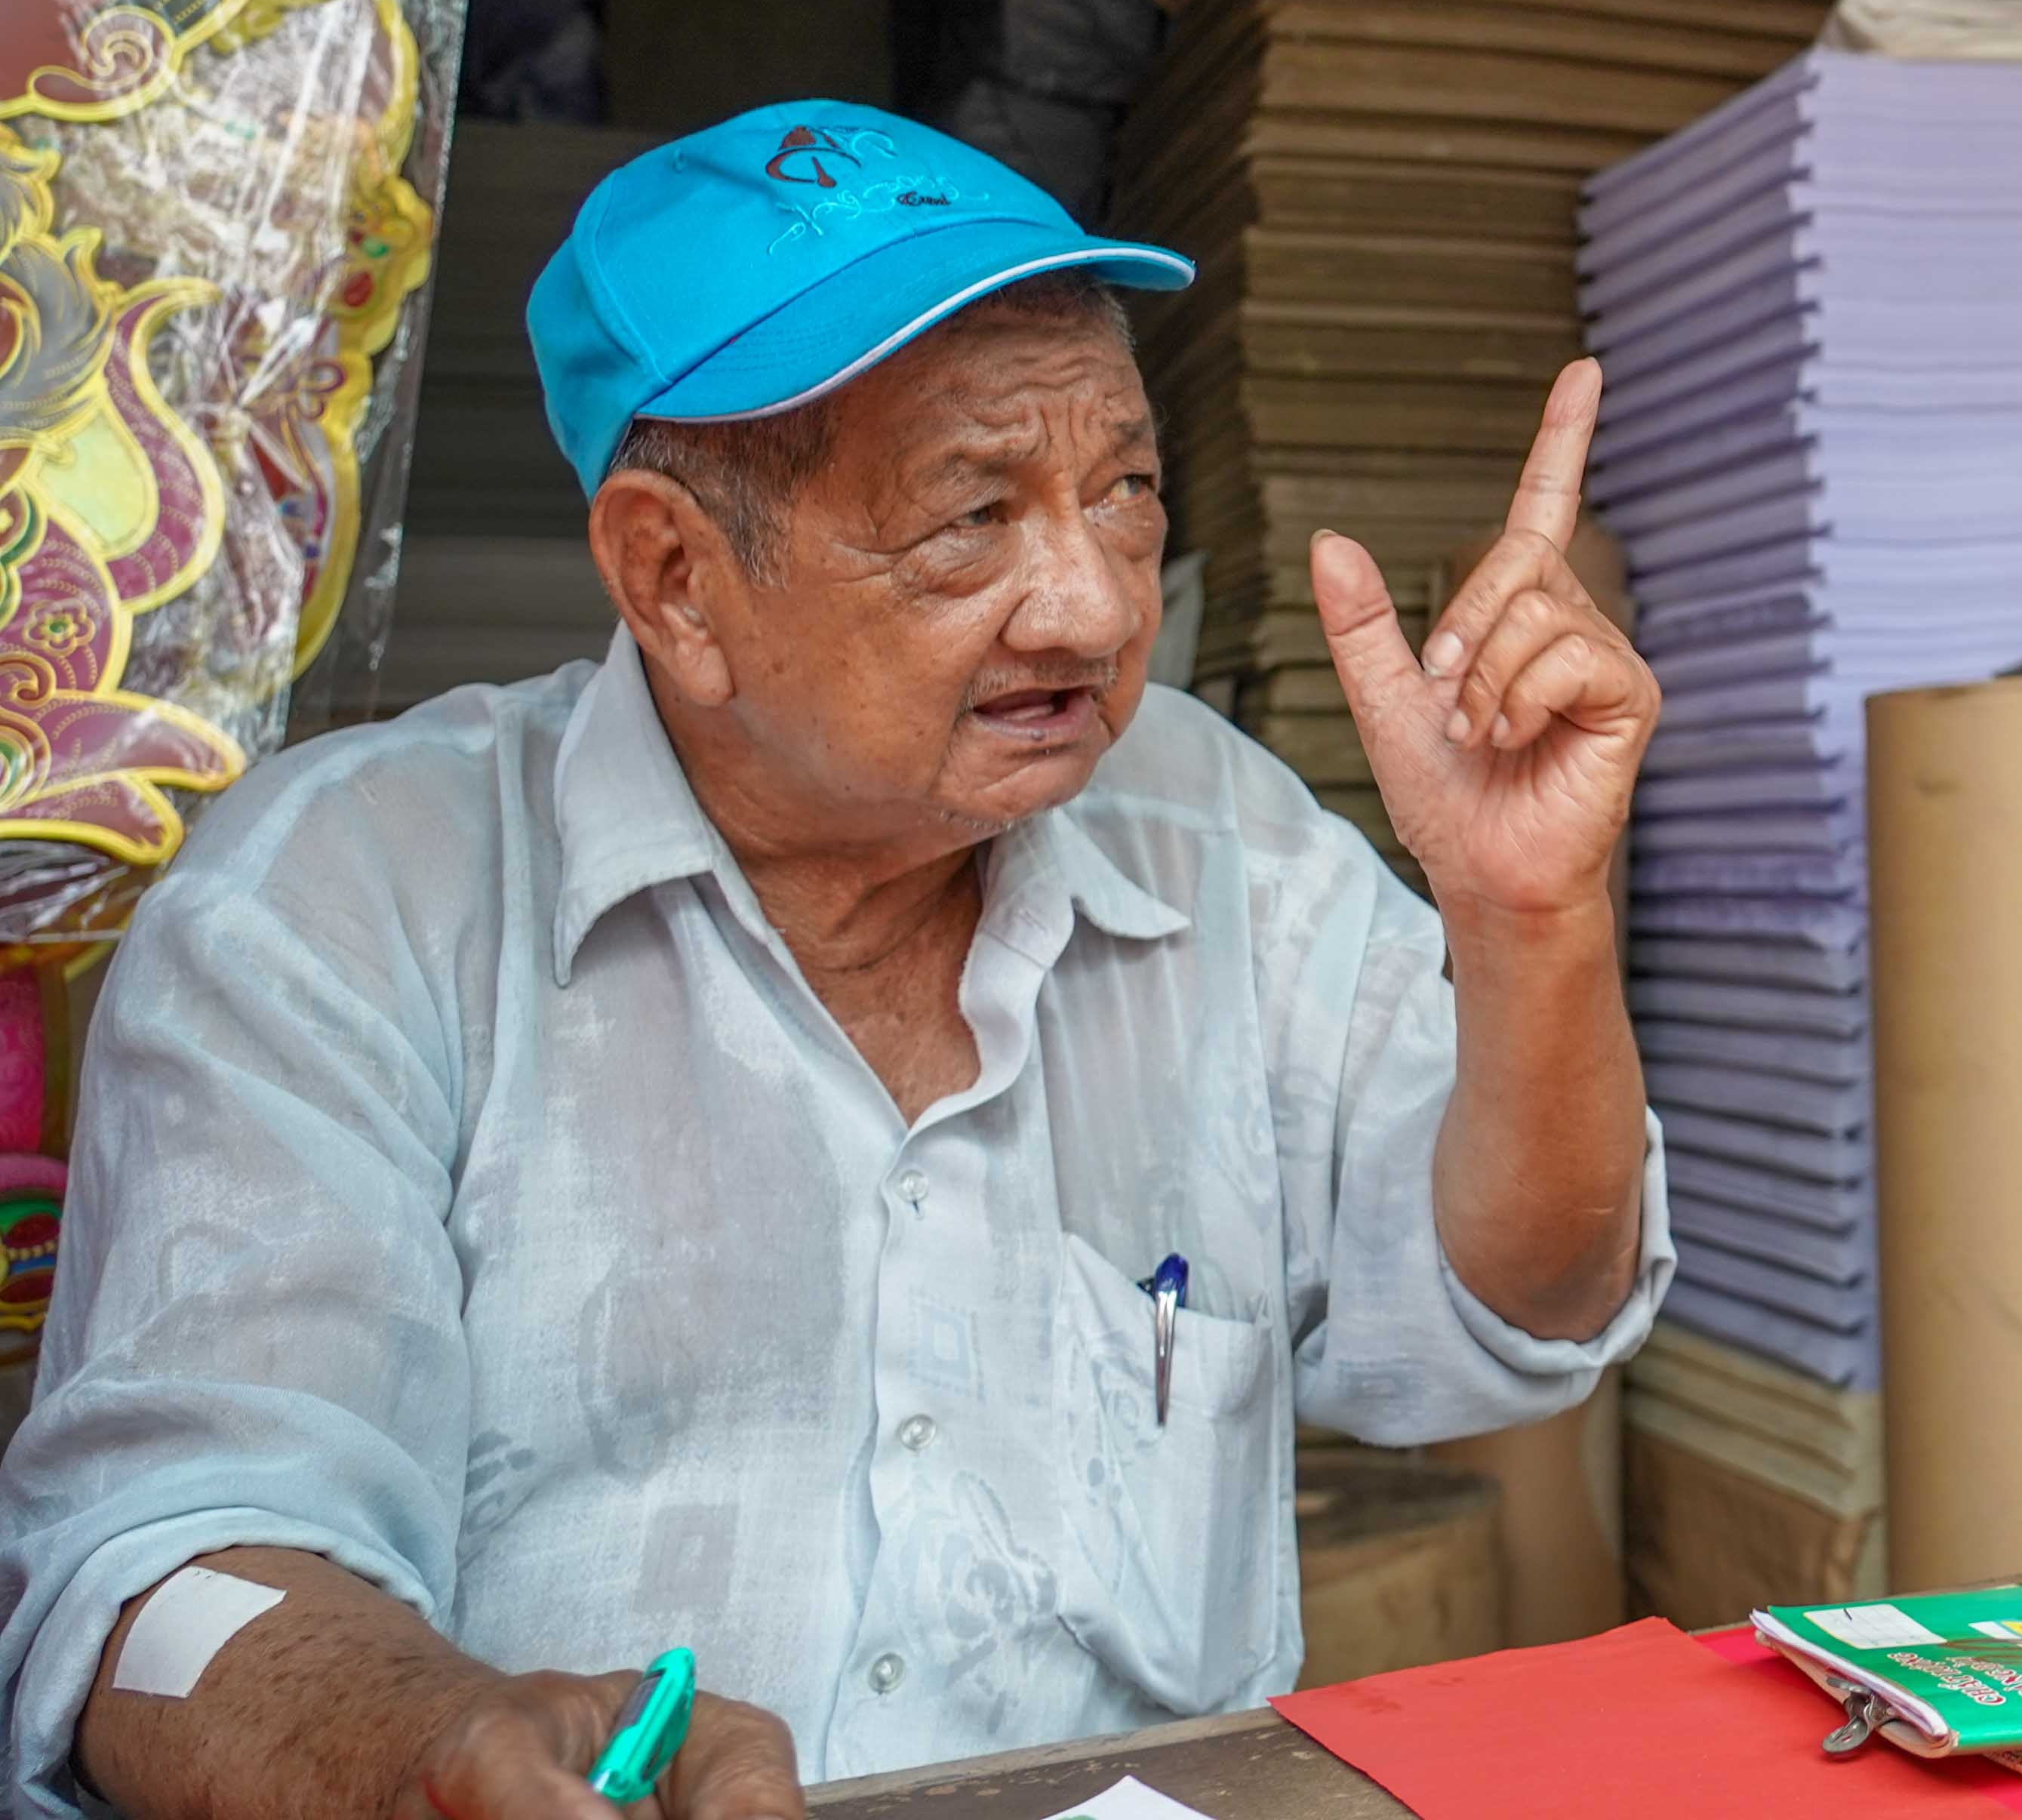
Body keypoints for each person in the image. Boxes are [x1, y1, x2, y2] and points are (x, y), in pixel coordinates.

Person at [0, 105, 1673, 1820]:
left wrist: (1530, 922)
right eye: (973, 516)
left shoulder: (1214, 829)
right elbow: (166, 1579)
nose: (1095, 605)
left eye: (1124, 491)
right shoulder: (346, 898)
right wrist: (427, 1750)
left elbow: (1527, 1298)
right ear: (676, 578)